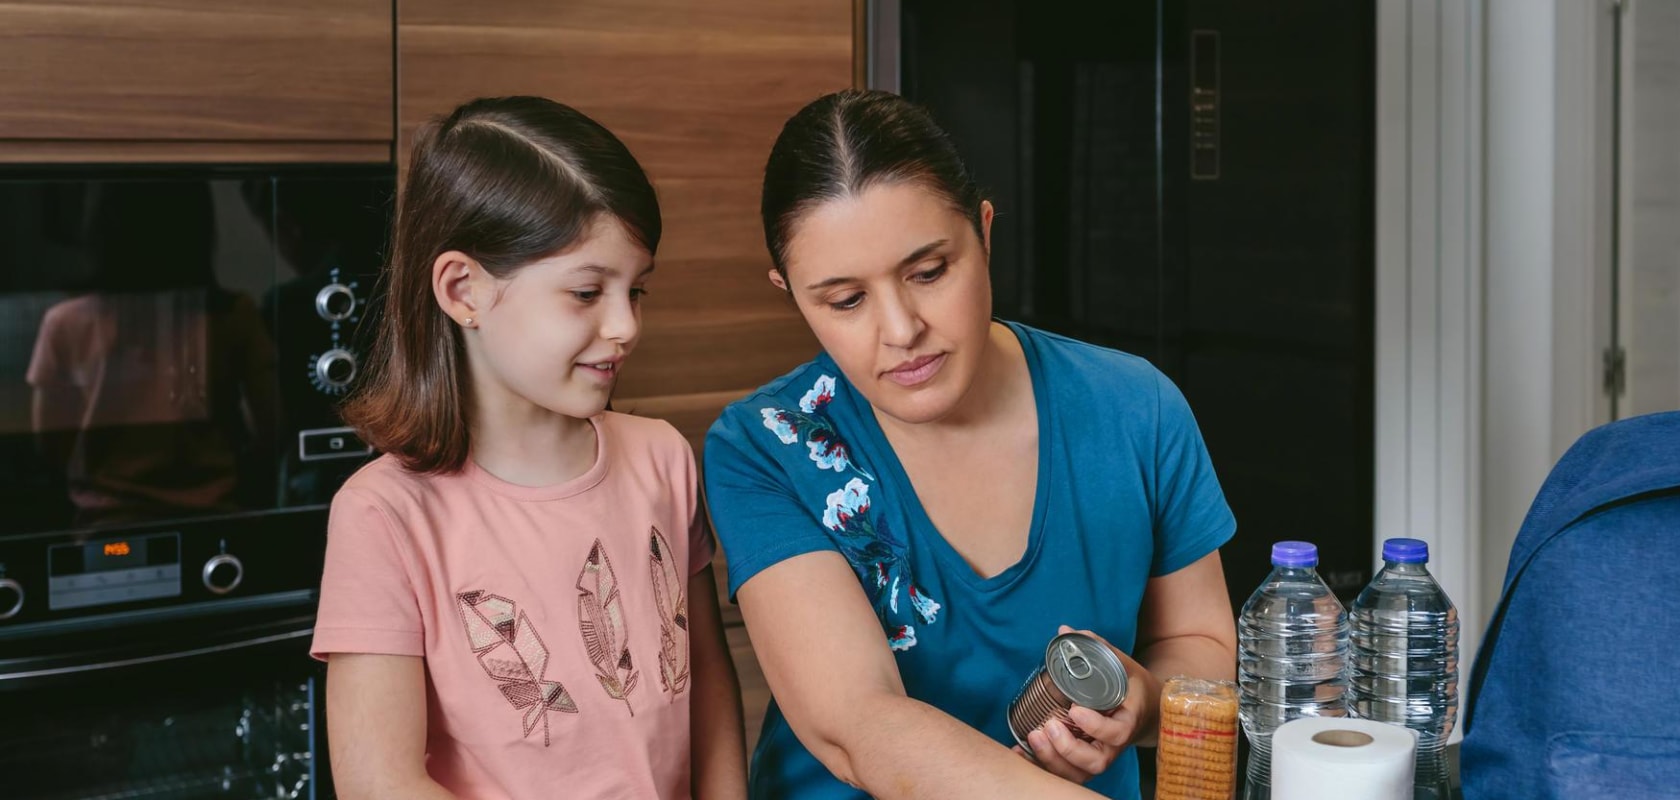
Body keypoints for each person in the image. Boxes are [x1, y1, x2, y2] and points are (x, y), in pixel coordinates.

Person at [703, 89, 1238, 799]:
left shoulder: (1134, 408)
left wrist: (1140, 701)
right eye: (846, 300)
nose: (901, 329)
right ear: (791, 293)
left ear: (983, 233)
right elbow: (861, 725)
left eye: (928, 272)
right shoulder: (766, 445)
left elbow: (1203, 650)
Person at [310, 96, 746, 800]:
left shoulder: (662, 459)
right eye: (587, 292)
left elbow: (709, 693)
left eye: (637, 290)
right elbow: (378, 782)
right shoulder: (383, 515)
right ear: (464, 291)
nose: (626, 325)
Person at [28, 180, 279, 526]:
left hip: (108, 522)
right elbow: (271, 428)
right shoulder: (232, 313)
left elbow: (50, 445)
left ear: (100, 226)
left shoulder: (65, 322)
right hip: (215, 517)